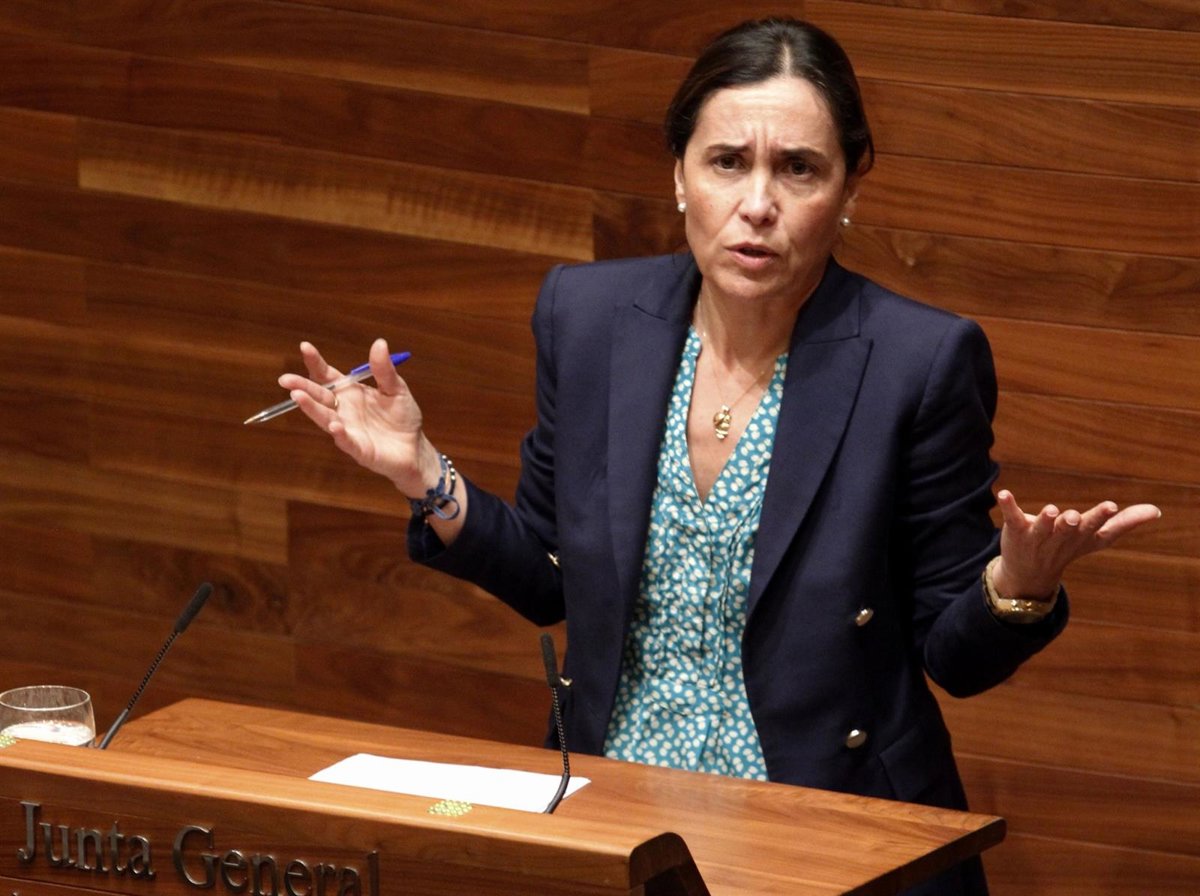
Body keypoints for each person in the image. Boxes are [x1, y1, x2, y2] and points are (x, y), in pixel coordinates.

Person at [278, 18, 1160, 894]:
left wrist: (1017, 587)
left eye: (799, 168)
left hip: (829, 833)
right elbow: (549, 576)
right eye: (728, 161)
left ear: (849, 186)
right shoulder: (588, 318)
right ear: (679, 173)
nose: (758, 203)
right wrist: (422, 472)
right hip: (622, 827)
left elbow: (953, 660)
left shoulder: (918, 361)